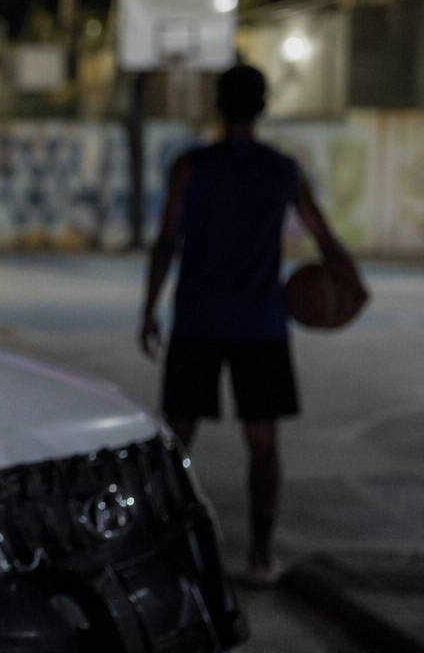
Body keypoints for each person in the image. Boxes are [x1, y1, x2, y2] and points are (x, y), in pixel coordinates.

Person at [139, 64, 360, 586]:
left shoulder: (190, 167)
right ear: (263, 108)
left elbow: (168, 240)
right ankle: (260, 556)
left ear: (218, 106)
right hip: (261, 323)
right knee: (262, 440)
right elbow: (324, 238)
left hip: (198, 318)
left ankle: (154, 545)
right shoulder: (283, 170)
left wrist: (148, 307)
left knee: (178, 436)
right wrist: (353, 282)